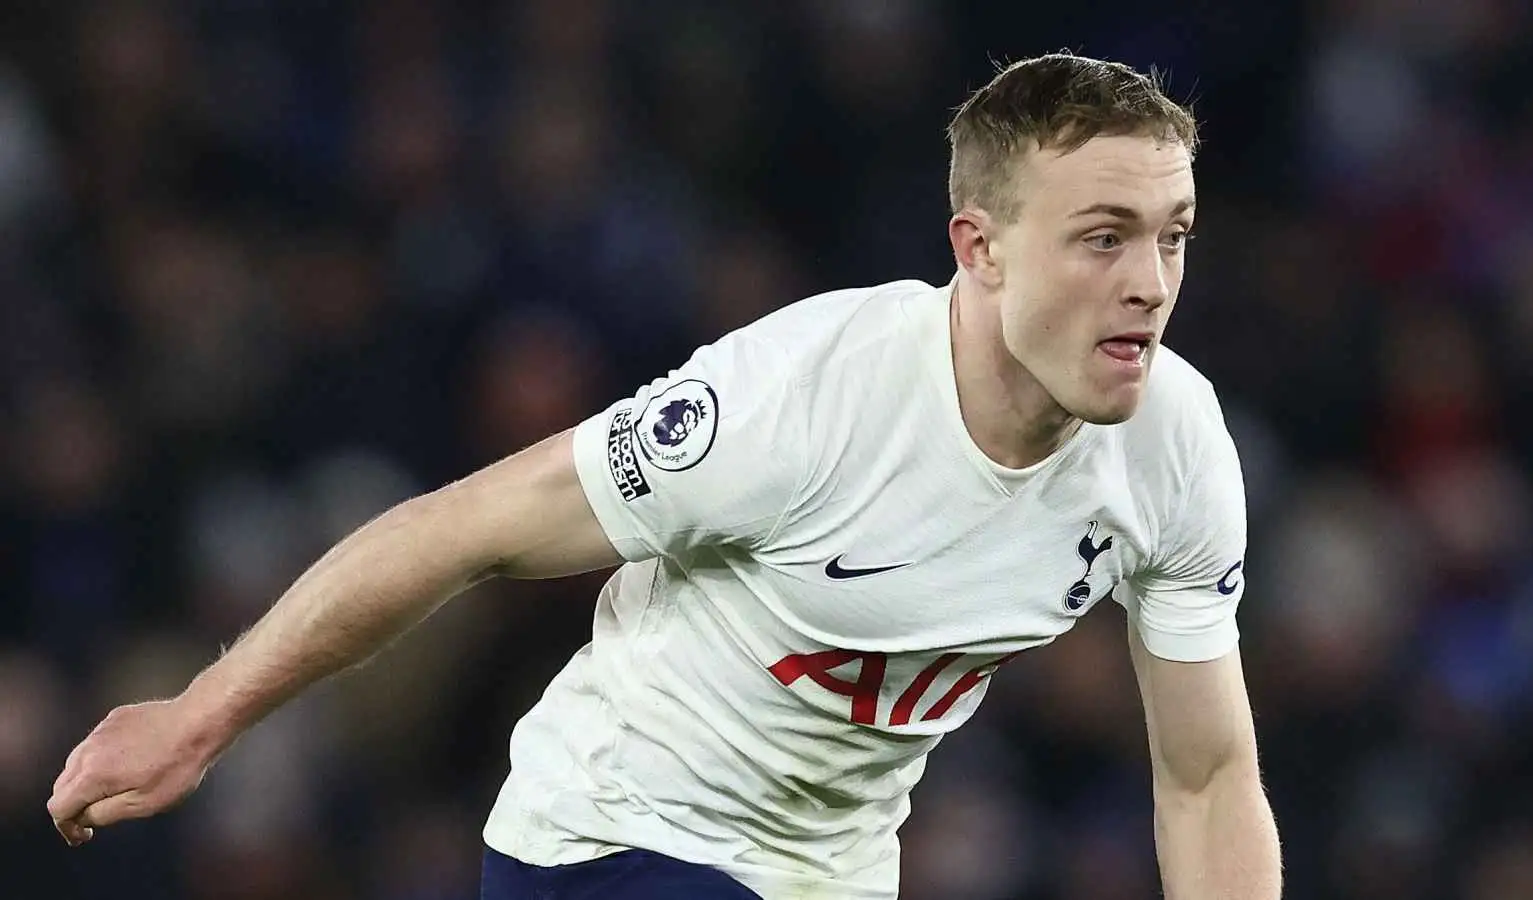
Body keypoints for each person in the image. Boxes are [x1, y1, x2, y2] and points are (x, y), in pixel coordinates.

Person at [48, 52, 1283, 899]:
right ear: (982, 249)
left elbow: (1208, 770)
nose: (1149, 281)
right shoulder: (795, 400)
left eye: (1171, 235)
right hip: (614, 835)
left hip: (827, 869)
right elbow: (468, 525)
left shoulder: (1173, 447)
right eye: (1103, 236)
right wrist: (201, 718)